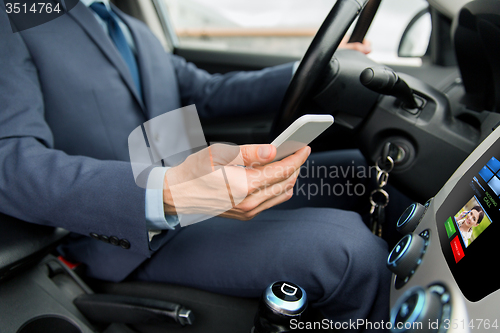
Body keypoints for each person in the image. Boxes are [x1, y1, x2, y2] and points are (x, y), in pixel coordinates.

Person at [0, 1, 389, 331]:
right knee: (351, 252)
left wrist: (314, 65)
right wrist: (165, 194)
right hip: (127, 238)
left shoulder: (131, 26)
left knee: (357, 173)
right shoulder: (14, 17)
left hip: (200, 192)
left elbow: (205, 93)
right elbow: (10, 161)